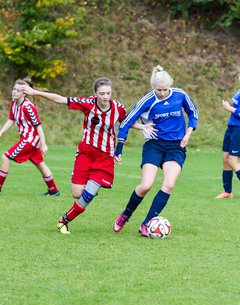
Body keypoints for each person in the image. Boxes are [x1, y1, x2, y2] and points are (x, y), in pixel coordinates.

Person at [22, 77, 132, 234]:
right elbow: (60, 99)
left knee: (88, 195)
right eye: (102, 93)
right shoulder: (88, 104)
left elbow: (128, 121)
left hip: (105, 157)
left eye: (108, 93)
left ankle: (64, 220)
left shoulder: (118, 108)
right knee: (77, 193)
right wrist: (34, 92)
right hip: (86, 153)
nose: (105, 96)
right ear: (95, 94)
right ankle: (91, 187)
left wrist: (143, 126)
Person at [113, 65, 199, 237]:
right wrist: (120, 147)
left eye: (165, 89)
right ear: (153, 87)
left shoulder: (180, 95)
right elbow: (126, 121)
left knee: (169, 184)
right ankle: (126, 214)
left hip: (176, 146)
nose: (161, 93)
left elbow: (193, 112)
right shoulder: (147, 100)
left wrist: (188, 133)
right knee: (146, 185)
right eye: (158, 90)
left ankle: (146, 224)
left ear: (170, 86)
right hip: (154, 145)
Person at [0, 79, 60, 196]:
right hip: (27, 139)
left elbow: (39, 126)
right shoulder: (14, 102)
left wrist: (44, 144)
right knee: (40, 164)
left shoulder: (28, 107)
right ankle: (54, 191)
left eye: (18, 91)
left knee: (5, 157)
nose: (14, 92)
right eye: (14, 89)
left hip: (30, 140)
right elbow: (11, 119)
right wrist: (1, 131)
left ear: (25, 93)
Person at [216, 73, 240, 199]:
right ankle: (227, 192)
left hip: (238, 129)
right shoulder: (238, 91)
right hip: (231, 127)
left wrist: (228, 108)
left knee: (232, 160)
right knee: (225, 159)